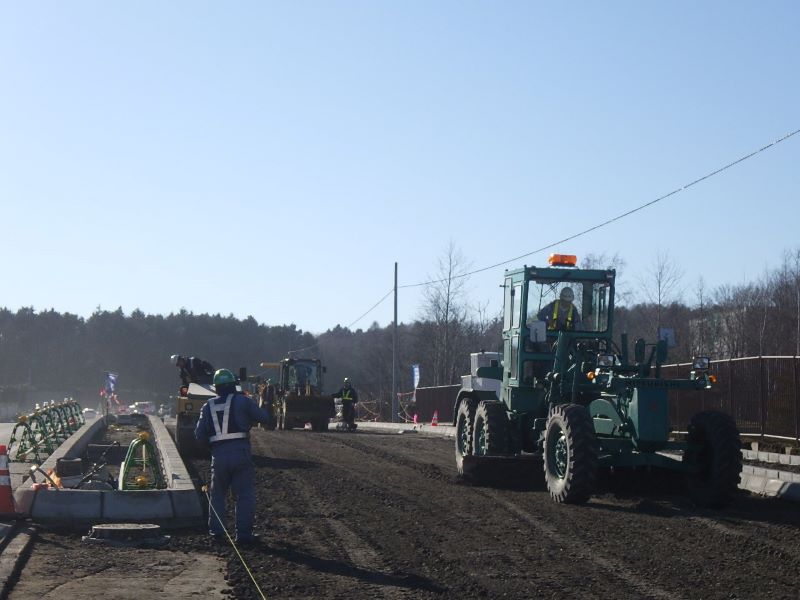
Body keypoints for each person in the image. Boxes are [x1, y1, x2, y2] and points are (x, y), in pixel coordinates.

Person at [194, 368, 272, 544]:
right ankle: (243, 535)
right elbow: (264, 418)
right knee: (244, 494)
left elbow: (199, 436)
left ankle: (217, 533)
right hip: (241, 454)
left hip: (219, 456)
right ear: (233, 385)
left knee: (217, 495)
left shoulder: (208, 406)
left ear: (216, 387)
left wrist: (213, 449)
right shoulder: (243, 401)